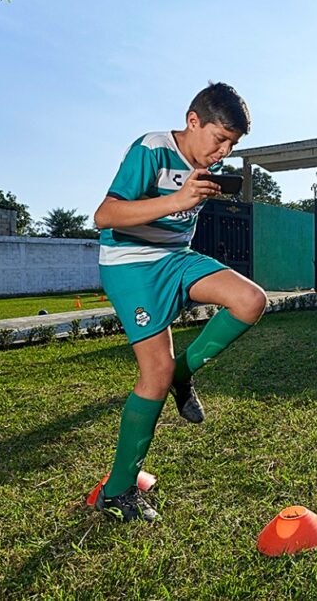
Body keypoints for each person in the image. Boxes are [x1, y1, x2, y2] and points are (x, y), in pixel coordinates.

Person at [91, 83, 267, 522]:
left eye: (232, 144)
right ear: (193, 122)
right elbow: (104, 216)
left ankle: (181, 377)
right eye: (219, 138)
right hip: (131, 264)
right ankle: (116, 493)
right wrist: (178, 198)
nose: (223, 151)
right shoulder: (151, 148)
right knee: (153, 374)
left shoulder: (206, 167)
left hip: (177, 257)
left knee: (250, 300)